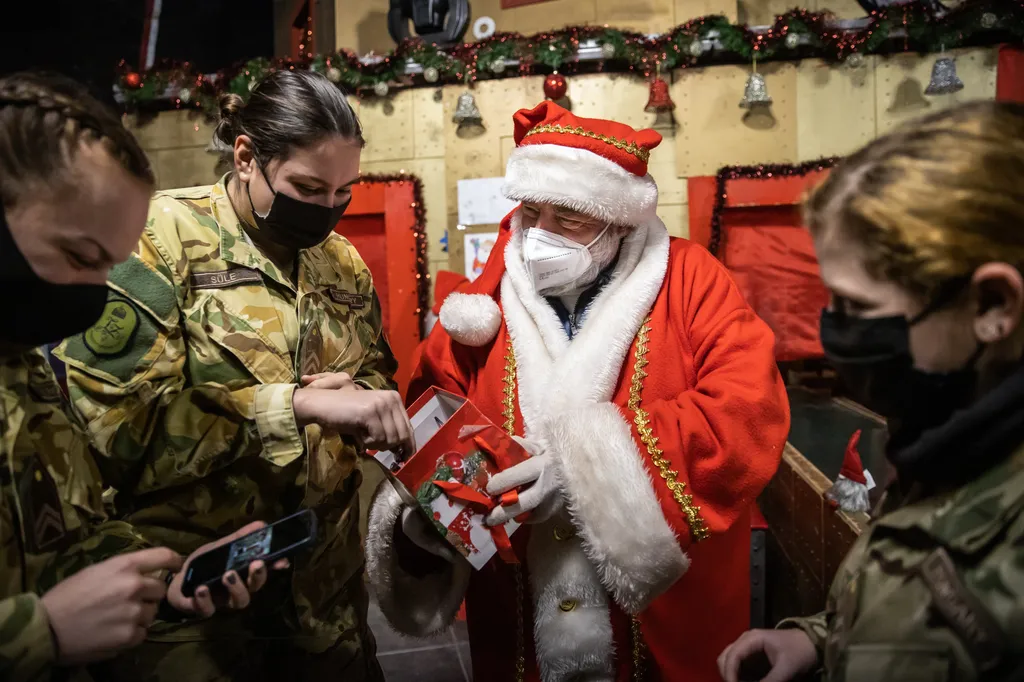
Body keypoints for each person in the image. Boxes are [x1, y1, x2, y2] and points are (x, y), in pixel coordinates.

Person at [364, 100, 791, 681]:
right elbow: (431, 418)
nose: (540, 235)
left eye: (569, 220)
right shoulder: (478, 308)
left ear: (621, 221)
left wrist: (583, 473)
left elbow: (747, 412)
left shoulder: (694, 282)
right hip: (519, 620)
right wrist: (427, 521)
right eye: (531, 211)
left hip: (662, 625)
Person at [55, 69, 413, 680]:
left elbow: (374, 370)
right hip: (192, 609)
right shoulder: (157, 241)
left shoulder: (343, 262)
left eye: (342, 192)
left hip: (325, 599)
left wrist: (370, 404)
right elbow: (114, 432)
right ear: (247, 156)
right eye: (308, 185)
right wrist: (293, 407)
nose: (327, 209)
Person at [718, 101, 1024, 682]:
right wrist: (820, 640)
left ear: (991, 306)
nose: (836, 331)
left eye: (860, 308)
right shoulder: (952, 440)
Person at [0, 72, 279, 682]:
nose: (95, 296)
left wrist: (164, 575)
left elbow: (65, 538)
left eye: (109, 266)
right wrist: (37, 632)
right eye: (79, 256)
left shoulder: (23, 370)